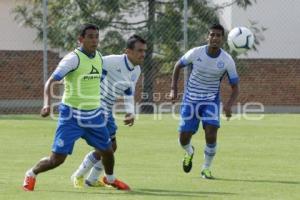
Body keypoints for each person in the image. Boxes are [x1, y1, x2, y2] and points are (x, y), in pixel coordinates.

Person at [22, 23, 129, 191]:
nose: (95, 40)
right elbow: (51, 81)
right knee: (57, 159)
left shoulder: (99, 57)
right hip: (71, 116)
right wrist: (46, 104)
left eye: (96, 37)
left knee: (108, 150)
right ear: (81, 39)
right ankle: (32, 173)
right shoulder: (73, 59)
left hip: (94, 115)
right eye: (90, 37)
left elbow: (96, 80)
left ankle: (110, 179)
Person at [71, 35, 146, 188]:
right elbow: (91, 72)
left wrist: (130, 112)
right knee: (105, 147)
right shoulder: (111, 61)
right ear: (128, 51)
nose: (143, 54)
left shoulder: (136, 70)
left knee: (111, 147)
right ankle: (79, 175)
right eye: (139, 50)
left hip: (107, 107)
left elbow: (128, 91)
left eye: (144, 51)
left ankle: (91, 180)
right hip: (95, 105)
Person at [170, 24, 239, 179]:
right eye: (212, 35)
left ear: (222, 39)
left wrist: (228, 105)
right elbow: (177, 66)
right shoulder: (196, 52)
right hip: (190, 100)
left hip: (210, 101)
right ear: (207, 37)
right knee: (183, 138)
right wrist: (173, 89)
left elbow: (235, 88)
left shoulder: (227, 60)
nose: (215, 38)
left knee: (211, 132)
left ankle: (206, 168)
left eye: (218, 35)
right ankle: (189, 151)